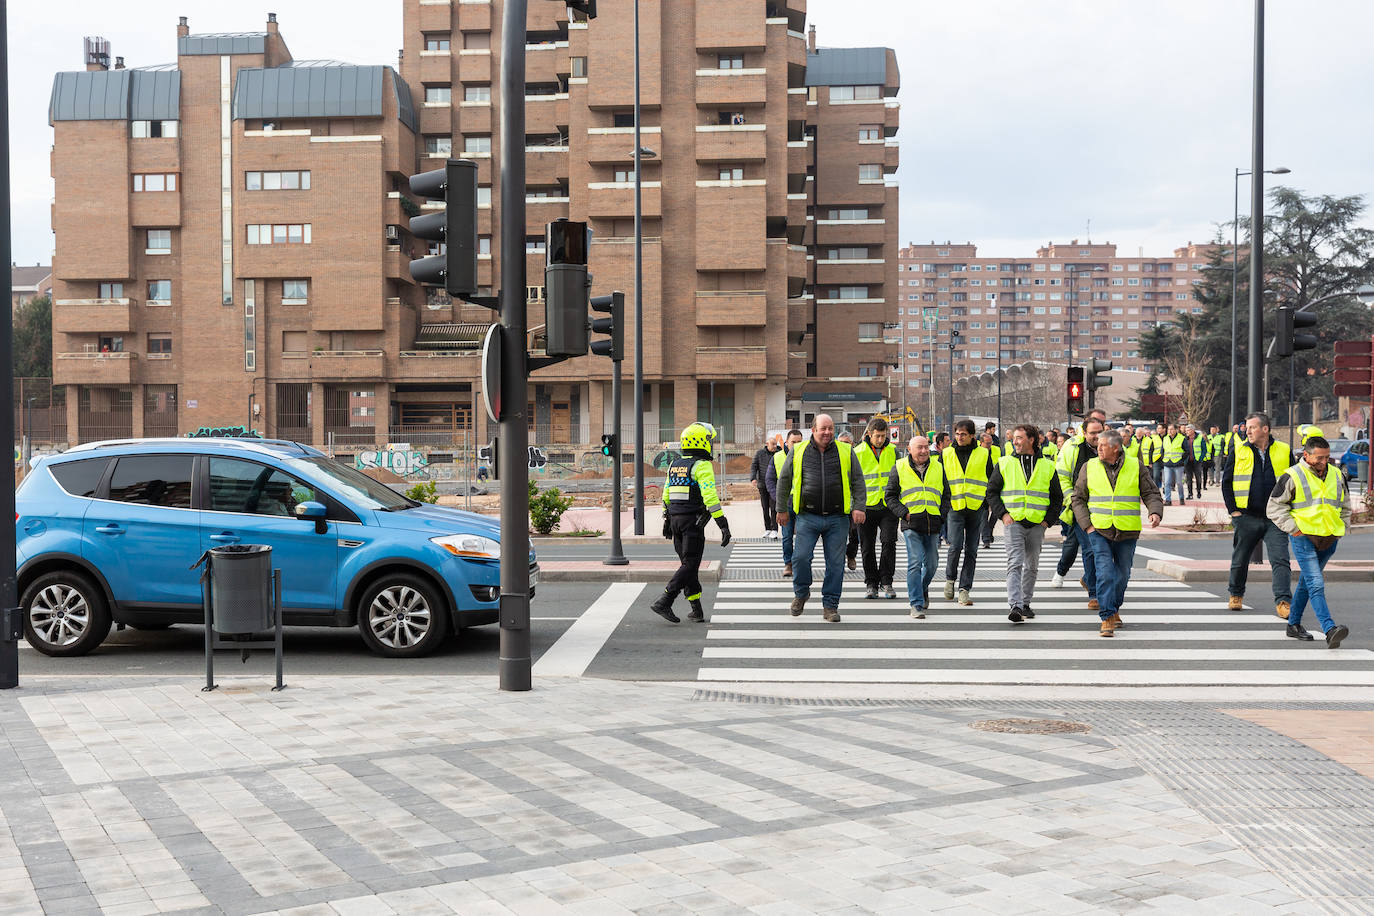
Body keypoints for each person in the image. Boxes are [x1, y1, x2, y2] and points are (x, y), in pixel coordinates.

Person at [1071, 428, 1164, 636]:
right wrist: (1087, 525)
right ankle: (1106, 617)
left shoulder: (1135, 465)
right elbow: (1077, 498)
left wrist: (1155, 512)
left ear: (1116, 447)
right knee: (1105, 572)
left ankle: (1114, 608)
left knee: (1122, 574)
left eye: (1103, 445)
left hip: (1127, 529)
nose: (1099, 448)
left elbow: (1150, 492)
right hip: (1098, 529)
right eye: (1098, 444)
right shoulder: (1090, 466)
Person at [776, 414, 866, 622]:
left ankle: (830, 606)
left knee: (835, 565)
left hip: (837, 519)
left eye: (830, 428)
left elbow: (858, 481)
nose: (827, 432)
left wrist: (859, 506)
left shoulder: (846, 451)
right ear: (813, 430)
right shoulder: (798, 451)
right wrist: (781, 509)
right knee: (799, 558)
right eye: (823, 428)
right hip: (808, 516)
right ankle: (801, 593)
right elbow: (784, 480)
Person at [1268, 435, 1351, 647]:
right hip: (1303, 537)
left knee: (1307, 583)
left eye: (1327, 457)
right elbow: (1274, 507)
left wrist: (1343, 527)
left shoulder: (1336, 473)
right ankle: (1330, 629)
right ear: (1306, 455)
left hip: (1329, 538)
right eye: (1319, 458)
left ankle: (1293, 625)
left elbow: (1345, 503)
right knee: (1315, 582)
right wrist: (1294, 529)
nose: (1324, 462)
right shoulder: (1292, 475)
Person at [651, 422, 731, 624]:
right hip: (692, 522)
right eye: (709, 441)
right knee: (691, 563)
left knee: (688, 566)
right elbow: (710, 497)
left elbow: (666, 494)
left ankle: (697, 610)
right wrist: (723, 524)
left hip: (675, 521)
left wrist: (666, 519)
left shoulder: (674, 464)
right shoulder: (702, 465)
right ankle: (665, 600)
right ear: (701, 443)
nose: (711, 445)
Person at [986, 424, 1063, 624]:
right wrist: (1002, 515)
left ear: (1032, 440)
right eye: (1014, 438)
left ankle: (1025, 603)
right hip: (1014, 521)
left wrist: (1048, 521)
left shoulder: (1047, 465)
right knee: (1015, 563)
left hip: (1037, 523)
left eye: (1020, 438)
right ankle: (1016, 605)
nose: (1015, 441)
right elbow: (992, 492)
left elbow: (1057, 497)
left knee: (1032, 566)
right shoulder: (1004, 463)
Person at [1222, 412, 1293, 617]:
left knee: (1280, 559)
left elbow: (1296, 482)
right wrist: (1233, 511)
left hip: (1276, 517)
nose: (1247, 430)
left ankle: (1283, 601)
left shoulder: (1284, 450)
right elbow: (1227, 482)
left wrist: (1291, 512)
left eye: (1252, 427)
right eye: (1247, 427)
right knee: (1240, 559)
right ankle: (1235, 594)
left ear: (1265, 429)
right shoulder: (1239, 450)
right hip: (1246, 516)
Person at [885, 434, 950, 619]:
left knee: (931, 564)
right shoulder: (899, 467)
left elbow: (946, 494)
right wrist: (904, 513)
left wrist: (942, 514)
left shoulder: (938, 467)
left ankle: (921, 590)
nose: (923, 451)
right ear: (909, 450)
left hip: (933, 523)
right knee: (914, 562)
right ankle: (916, 604)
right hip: (911, 523)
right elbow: (889, 496)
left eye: (925, 447)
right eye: (919, 447)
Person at [941, 419, 996, 606]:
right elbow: (940, 478)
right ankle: (950, 580)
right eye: (957, 433)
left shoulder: (983, 453)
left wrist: (988, 503)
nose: (959, 437)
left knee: (971, 550)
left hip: (976, 507)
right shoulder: (946, 453)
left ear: (972, 435)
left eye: (963, 434)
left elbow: (990, 478)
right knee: (955, 546)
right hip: (954, 506)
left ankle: (965, 589)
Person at [1050, 417, 1103, 602]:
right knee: (1088, 548)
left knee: (1078, 546)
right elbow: (1062, 476)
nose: (1097, 436)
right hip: (1078, 507)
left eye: (1100, 432)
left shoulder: (1110, 446)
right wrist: (1071, 500)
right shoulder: (1072, 447)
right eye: (1093, 433)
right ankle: (1094, 594)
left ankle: (1088, 579)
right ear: (1084, 432)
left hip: (1103, 508)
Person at [855, 418, 899, 599]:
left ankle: (887, 581)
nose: (880, 439)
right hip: (866, 507)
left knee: (889, 542)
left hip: (889, 505)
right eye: (877, 436)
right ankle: (871, 583)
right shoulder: (857, 452)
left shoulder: (894, 452)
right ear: (869, 434)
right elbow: (853, 481)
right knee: (867, 546)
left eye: (883, 436)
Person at [766, 428, 804, 576]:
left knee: (804, 537)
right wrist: (778, 498)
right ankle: (788, 564)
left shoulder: (807, 456)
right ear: (786, 442)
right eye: (793, 442)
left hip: (803, 504)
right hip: (786, 505)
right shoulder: (777, 457)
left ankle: (801, 564)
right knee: (787, 536)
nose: (796, 445)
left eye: (799, 442)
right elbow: (769, 480)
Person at [837, 430, 860, 570]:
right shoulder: (834, 458)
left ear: (852, 444)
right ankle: (839, 562)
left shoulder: (857, 457)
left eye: (846, 443)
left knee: (854, 534)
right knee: (838, 536)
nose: (843, 446)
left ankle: (851, 555)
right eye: (841, 443)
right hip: (839, 503)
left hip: (854, 504)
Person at [750, 436, 780, 540]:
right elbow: (754, 466)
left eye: (776, 444)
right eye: (773, 444)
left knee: (774, 508)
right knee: (765, 507)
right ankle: (767, 529)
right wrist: (753, 478)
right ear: (767, 444)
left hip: (775, 485)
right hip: (762, 485)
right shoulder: (760, 454)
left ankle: (775, 530)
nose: (775, 446)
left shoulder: (779, 453)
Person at [978, 431, 1002, 548]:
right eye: (987, 443)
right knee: (984, 513)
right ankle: (986, 539)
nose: (989, 446)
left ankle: (989, 530)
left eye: (991, 443)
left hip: (996, 485)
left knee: (997, 511)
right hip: (982, 487)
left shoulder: (996, 450)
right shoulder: (977, 453)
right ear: (981, 443)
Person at [1160, 422, 1187, 506]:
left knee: (1179, 483)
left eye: (1171, 429)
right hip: (1167, 463)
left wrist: (1181, 460)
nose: (1170, 431)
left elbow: (1187, 451)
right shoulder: (1165, 438)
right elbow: (1162, 450)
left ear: (1176, 430)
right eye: (1168, 429)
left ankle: (1181, 498)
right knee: (1167, 483)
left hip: (1178, 464)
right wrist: (1163, 459)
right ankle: (1168, 500)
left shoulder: (1182, 438)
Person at [1184, 425, 1205, 500]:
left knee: (1198, 478)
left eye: (1188, 430)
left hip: (1197, 461)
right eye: (1186, 430)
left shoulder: (1200, 438)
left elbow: (1204, 449)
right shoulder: (1185, 439)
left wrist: (1200, 458)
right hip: (1187, 461)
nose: (1186, 432)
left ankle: (1199, 491)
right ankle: (1190, 494)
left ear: (1193, 430)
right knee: (1188, 478)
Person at [1148, 422, 1167, 487]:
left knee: (1166, 477)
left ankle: (1165, 488)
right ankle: (1156, 490)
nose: (1158, 429)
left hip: (1166, 459)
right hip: (1156, 460)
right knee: (1156, 476)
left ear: (1164, 429)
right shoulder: (1154, 438)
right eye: (1157, 428)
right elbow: (1151, 450)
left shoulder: (1168, 437)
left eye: (1159, 428)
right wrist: (1150, 462)